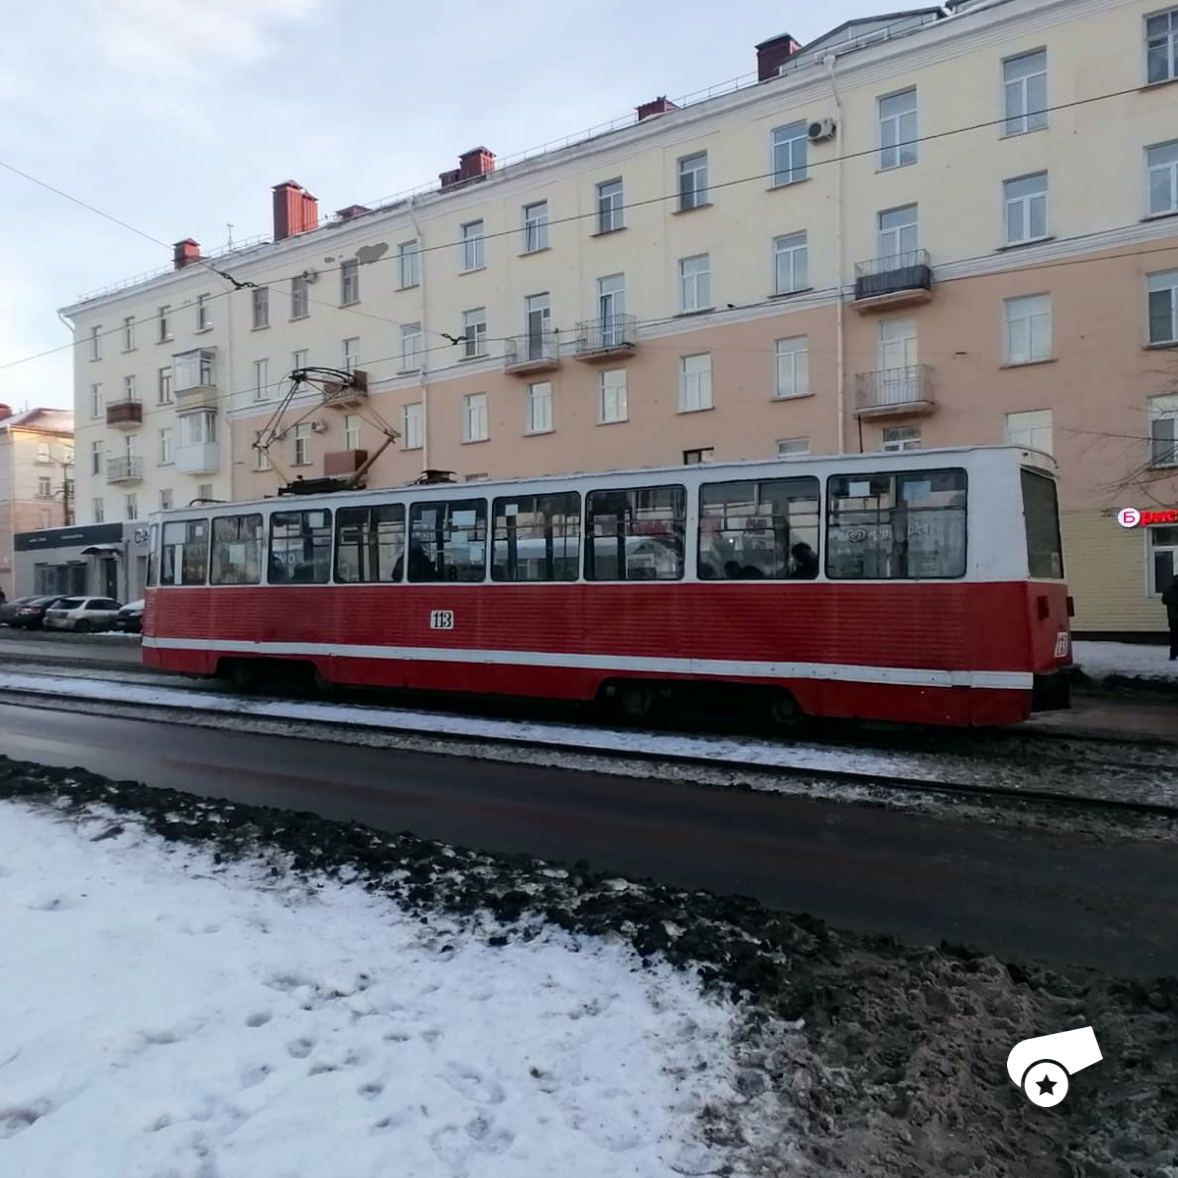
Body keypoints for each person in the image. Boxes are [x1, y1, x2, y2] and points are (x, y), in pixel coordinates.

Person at [1163, 578, 1178, 661]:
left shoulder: (1169, 589)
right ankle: (1173, 655)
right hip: (1174, 617)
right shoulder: (1170, 590)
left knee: (1174, 637)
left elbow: (1164, 600)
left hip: (1173, 617)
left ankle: (1173, 655)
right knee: (1175, 637)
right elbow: (1164, 600)